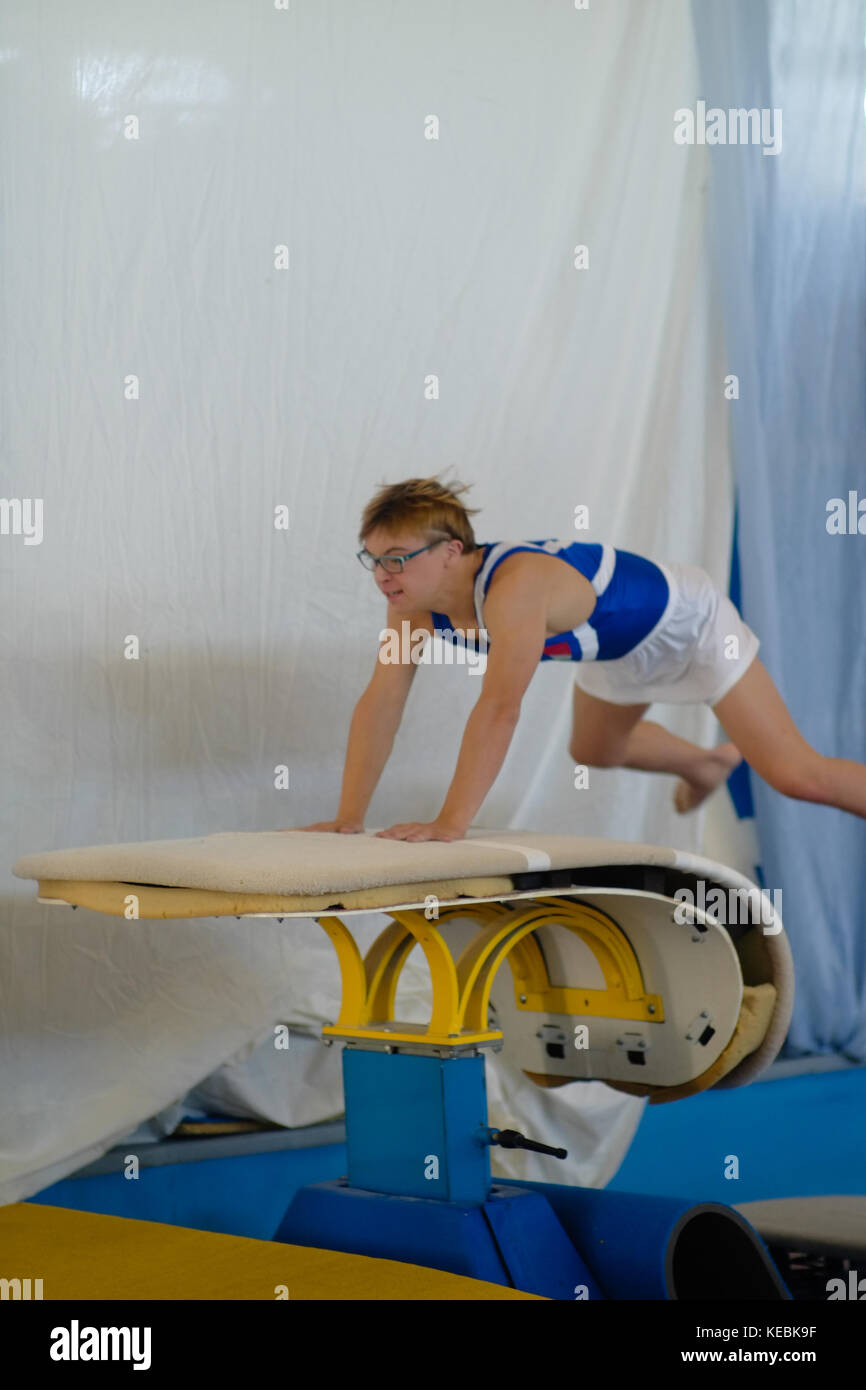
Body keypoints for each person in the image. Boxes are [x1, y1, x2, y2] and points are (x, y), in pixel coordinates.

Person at [296, 476, 866, 842]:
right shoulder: (410, 608)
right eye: (371, 560)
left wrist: (451, 824)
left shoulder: (513, 588)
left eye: (396, 559)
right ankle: (706, 763)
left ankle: (725, 764)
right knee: (593, 748)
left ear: (451, 552)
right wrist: (350, 817)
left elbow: (500, 708)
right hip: (614, 648)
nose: (381, 576)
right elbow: (381, 703)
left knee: (797, 776)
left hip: (689, 625)